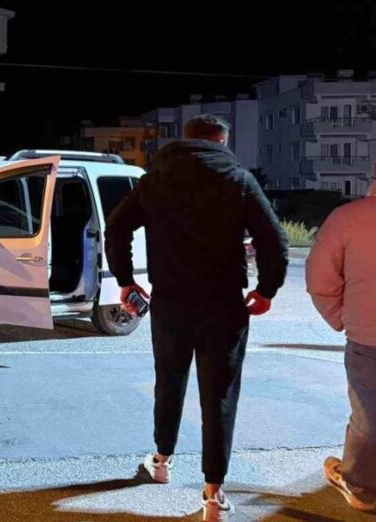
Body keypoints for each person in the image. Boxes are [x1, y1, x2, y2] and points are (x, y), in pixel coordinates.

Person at [105, 114, 288, 521]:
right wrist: (266, 289)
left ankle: (161, 462)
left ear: (187, 140)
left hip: (171, 302)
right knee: (218, 395)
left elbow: (116, 227)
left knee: (169, 381)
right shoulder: (238, 178)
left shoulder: (157, 178)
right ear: (221, 141)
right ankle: (212, 494)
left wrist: (125, 280)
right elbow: (273, 239)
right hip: (223, 304)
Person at [305, 183, 376, 513]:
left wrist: (342, 319)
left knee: (368, 414)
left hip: (368, 336)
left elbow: (320, 279)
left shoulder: (348, 218)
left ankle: (361, 488)